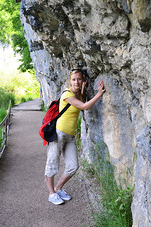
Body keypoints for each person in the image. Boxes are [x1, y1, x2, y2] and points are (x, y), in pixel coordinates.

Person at [45, 69, 106, 205]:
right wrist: (99, 94)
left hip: (70, 136)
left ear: (82, 80)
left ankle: (59, 188)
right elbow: (85, 106)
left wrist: (84, 87)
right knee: (52, 164)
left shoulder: (78, 94)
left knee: (73, 166)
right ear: (69, 81)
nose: (76, 82)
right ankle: (51, 194)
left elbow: (82, 100)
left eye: (79, 79)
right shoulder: (67, 94)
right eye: (74, 79)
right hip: (59, 133)